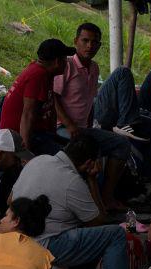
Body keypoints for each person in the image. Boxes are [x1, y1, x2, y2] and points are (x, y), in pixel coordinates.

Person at [11, 133, 147, 269]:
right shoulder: (71, 180)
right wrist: (92, 180)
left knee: (87, 236)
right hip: (46, 245)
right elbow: (98, 221)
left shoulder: (38, 161)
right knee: (114, 234)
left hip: (21, 239)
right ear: (89, 163)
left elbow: (11, 200)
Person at [52, 23, 134, 211]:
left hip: (83, 128)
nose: (90, 46)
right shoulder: (67, 65)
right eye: (85, 41)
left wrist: (89, 126)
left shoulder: (94, 68)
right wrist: (70, 125)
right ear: (76, 41)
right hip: (62, 128)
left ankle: (107, 197)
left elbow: (89, 102)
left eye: (94, 42)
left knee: (122, 144)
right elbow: (54, 98)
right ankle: (89, 206)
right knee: (86, 151)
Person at [0, 38, 76, 157]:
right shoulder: (38, 75)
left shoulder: (45, 72)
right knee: (70, 158)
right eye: (65, 59)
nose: (67, 63)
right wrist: (26, 156)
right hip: (19, 137)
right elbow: (27, 116)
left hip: (37, 133)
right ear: (57, 61)